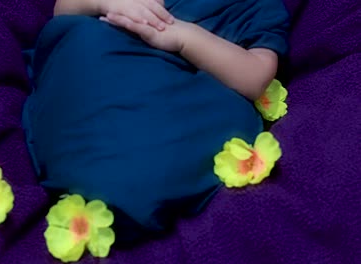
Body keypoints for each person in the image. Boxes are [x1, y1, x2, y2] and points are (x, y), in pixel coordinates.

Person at [22, 0, 289, 243]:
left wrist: (183, 38)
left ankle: (124, 180)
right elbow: (64, 10)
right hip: (104, 59)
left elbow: (255, 77)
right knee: (85, 41)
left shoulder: (256, 7)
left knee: (233, 112)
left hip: (180, 87)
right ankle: (92, 164)